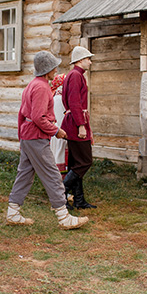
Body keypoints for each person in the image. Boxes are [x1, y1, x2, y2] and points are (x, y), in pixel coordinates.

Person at [6, 51, 89, 230]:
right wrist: (56, 131)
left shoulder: (31, 85)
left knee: (24, 175)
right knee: (53, 175)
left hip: (28, 137)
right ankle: (63, 217)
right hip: (36, 137)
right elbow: (38, 117)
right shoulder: (42, 87)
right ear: (47, 69)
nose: (56, 70)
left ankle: (12, 212)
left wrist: (22, 139)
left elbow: (22, 115)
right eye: (54, 67)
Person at [61, 46, 97, 209]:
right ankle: (60, 193)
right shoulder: (75, 75)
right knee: (85, 161)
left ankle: (79, 200)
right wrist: (81, 126)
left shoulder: (75, 75)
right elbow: (74, 102)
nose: (90, 62)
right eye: (88, 59)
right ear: (81, 60)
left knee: (76, 163)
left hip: (74, 121)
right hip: (76, 124)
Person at [49, 73, 67, 177]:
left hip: (58, 131)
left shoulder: (58, 96)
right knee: (59, 155)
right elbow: (60, 119)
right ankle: (60, 182)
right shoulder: (58, 98)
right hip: (60, 132)